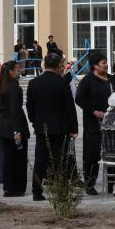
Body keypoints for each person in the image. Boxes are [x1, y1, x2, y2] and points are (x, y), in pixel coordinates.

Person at [27, 53, 79, 201]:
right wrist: (74, 128)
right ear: (58, 66)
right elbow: (70, 107)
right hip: (60, 127)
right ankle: (61, 192)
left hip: (41, 127)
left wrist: (35, 121)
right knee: (60, 160)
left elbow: (30, 108)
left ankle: (36, 191)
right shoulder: (62, 83)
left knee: (40, 160)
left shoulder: (34, 83)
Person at [75, 52, 112, 195]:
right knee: (92, 153)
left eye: (106, 62)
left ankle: (112, 184)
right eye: (103, 63)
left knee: (112, 152)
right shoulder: (88, 80)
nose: (106, 65)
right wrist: (93, 111)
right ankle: (90, 183)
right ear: (95, 66)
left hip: (111, 121)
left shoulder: (111, 79)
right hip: (93, 123)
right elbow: (79, 99)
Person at [0, 60, 29, 197]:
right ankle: (16, 187)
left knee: (8, 158)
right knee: (18, 158)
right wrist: (17, 131)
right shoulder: (13, 87)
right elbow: (15, 111)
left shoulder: (3, 86)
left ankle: (9, 187)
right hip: (14, 129)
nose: (19, 71)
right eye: (17, 69)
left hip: (4, 127)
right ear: (10, 72)